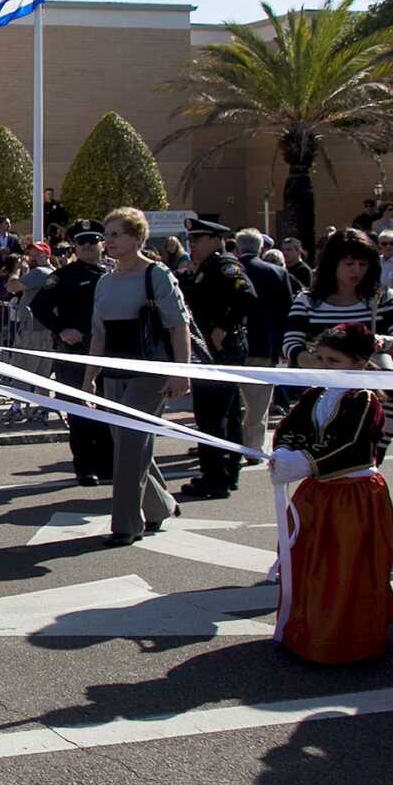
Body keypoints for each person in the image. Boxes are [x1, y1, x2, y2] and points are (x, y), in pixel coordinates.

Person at [269, 324, 393, 664]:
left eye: (333, 360)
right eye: (321, 359)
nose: (325, 366)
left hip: (352, 496)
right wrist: (283, 452)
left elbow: (352, 446)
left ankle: (340, 640)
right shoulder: (315, 393)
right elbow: (290, 427)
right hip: (319, 493)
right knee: (309, 562)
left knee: (342, 567)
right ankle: (304, 631)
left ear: (358, 363)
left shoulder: (364, 400)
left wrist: (304, 462)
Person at [84, 208, 192, 546]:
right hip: (115, 373)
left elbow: (178, 327)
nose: (109, 241)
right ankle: (160, 505)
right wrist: (89, 378)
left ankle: (126, 525)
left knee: (130, 445)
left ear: (137, 238)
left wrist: (180, 372)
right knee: (129, 443)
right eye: (108, 235)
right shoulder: (104, 281)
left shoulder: (157, 275)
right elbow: (97, 335)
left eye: (116, 234)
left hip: (150, 371)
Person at [177, 219, 256, 501]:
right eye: (191, 240)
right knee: (225, 413)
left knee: (213, 416)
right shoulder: (205, 269)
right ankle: (224, 473)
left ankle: (216, 477)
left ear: (215, 239)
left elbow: (246, 297)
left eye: (197, 239)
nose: (193, 245)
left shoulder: (225, 266)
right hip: (210, 350)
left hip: (222, 349)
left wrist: (224, 325)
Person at [30, 226, 113, 488]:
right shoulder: (64, 276)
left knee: (108, 407)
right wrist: (61, 329)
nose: (88, 247)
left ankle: (107, 463)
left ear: (102, 245)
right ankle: (85, 467)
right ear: (75, 247)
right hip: (77, 352)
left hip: (109, 353)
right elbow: (39, 306)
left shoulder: (113, 273)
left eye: (93, 242)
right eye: (82, 243)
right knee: (79, 411)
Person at [282, 230, 393, 367]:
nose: (357, 270)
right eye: (349, 264)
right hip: (319, 382)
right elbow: (291, 344)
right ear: (332, 265)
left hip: (370, 384)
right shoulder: (306, 301)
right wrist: (321, 363)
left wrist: (382, 342)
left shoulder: (386, 297)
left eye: (363, 264)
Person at [233, 228, 293, 449]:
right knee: (258, 404)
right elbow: (287, 312)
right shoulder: (277, 273)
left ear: (238, 247)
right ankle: (254, 447)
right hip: (265, 345)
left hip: (233, 344)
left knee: (234, 400)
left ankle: (233, 444)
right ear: (261, 248)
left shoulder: (229, 270)